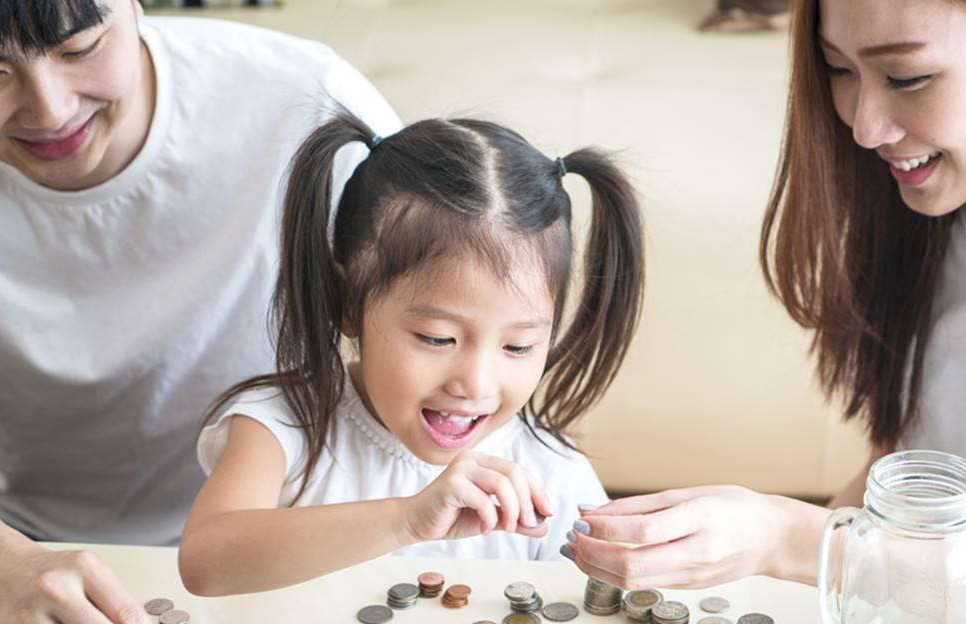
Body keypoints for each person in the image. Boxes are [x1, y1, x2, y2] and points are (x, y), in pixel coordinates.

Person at [563, 0, 966, 624]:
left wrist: (792, 539)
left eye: (906, 78)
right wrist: (729, 547)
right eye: (838, 69)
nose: (865, 127)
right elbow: (908, 477)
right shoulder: (928, 222)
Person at [0, 0, 399, 624]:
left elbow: (466, 328)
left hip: (298, 542)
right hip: (19, 545)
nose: (50, 109)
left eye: (80, 49)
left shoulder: (305, 105)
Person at [178, 110, 645, 595]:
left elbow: (609, 602)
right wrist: (407, 519)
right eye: (438, 338)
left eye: (518, 346)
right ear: (348, 304)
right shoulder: (282, 426)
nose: (476, 383)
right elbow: (206, 562)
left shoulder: (549, 471)